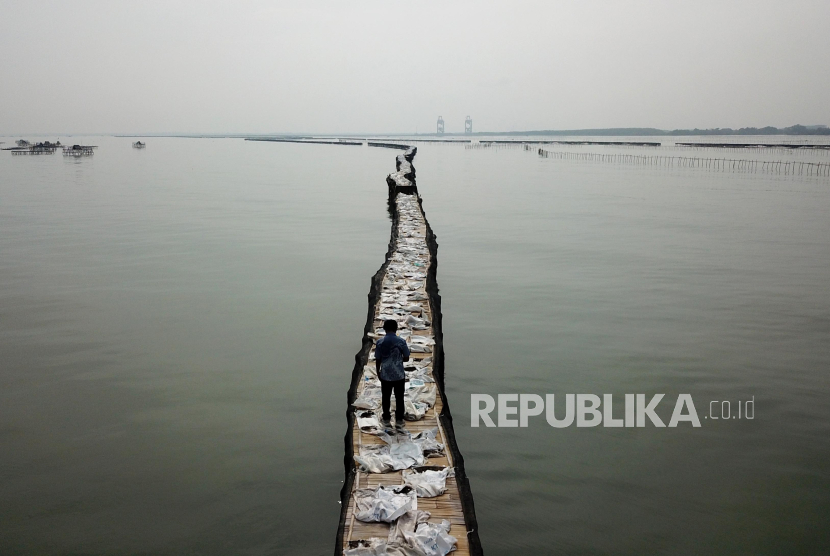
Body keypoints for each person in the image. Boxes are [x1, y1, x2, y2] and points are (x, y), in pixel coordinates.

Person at [375, 319, 410, 432]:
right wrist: (397, 359)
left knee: (386, 397)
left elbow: (378, 359)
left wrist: (378, 372)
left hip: (385, 374)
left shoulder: (380, 342)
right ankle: (399, 420)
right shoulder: (401, 342)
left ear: (384, 328)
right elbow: (406, 357)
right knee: (399, 397)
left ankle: (386, 418)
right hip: (399, 374)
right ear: (396, 328)